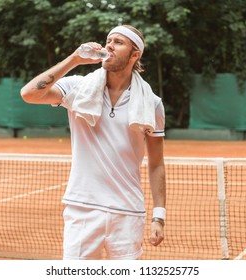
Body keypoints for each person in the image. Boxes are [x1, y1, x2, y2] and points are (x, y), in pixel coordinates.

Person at [20, 25, 166, 260]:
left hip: (128, 212)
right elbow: (29, 94)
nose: (109, 45)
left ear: (135, 54)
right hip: (82, 209)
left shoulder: (152, 103)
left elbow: (157, 163)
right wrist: (74, 60)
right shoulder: (78, 87)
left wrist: (159, 216)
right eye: (109, 40)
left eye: (118, 42)